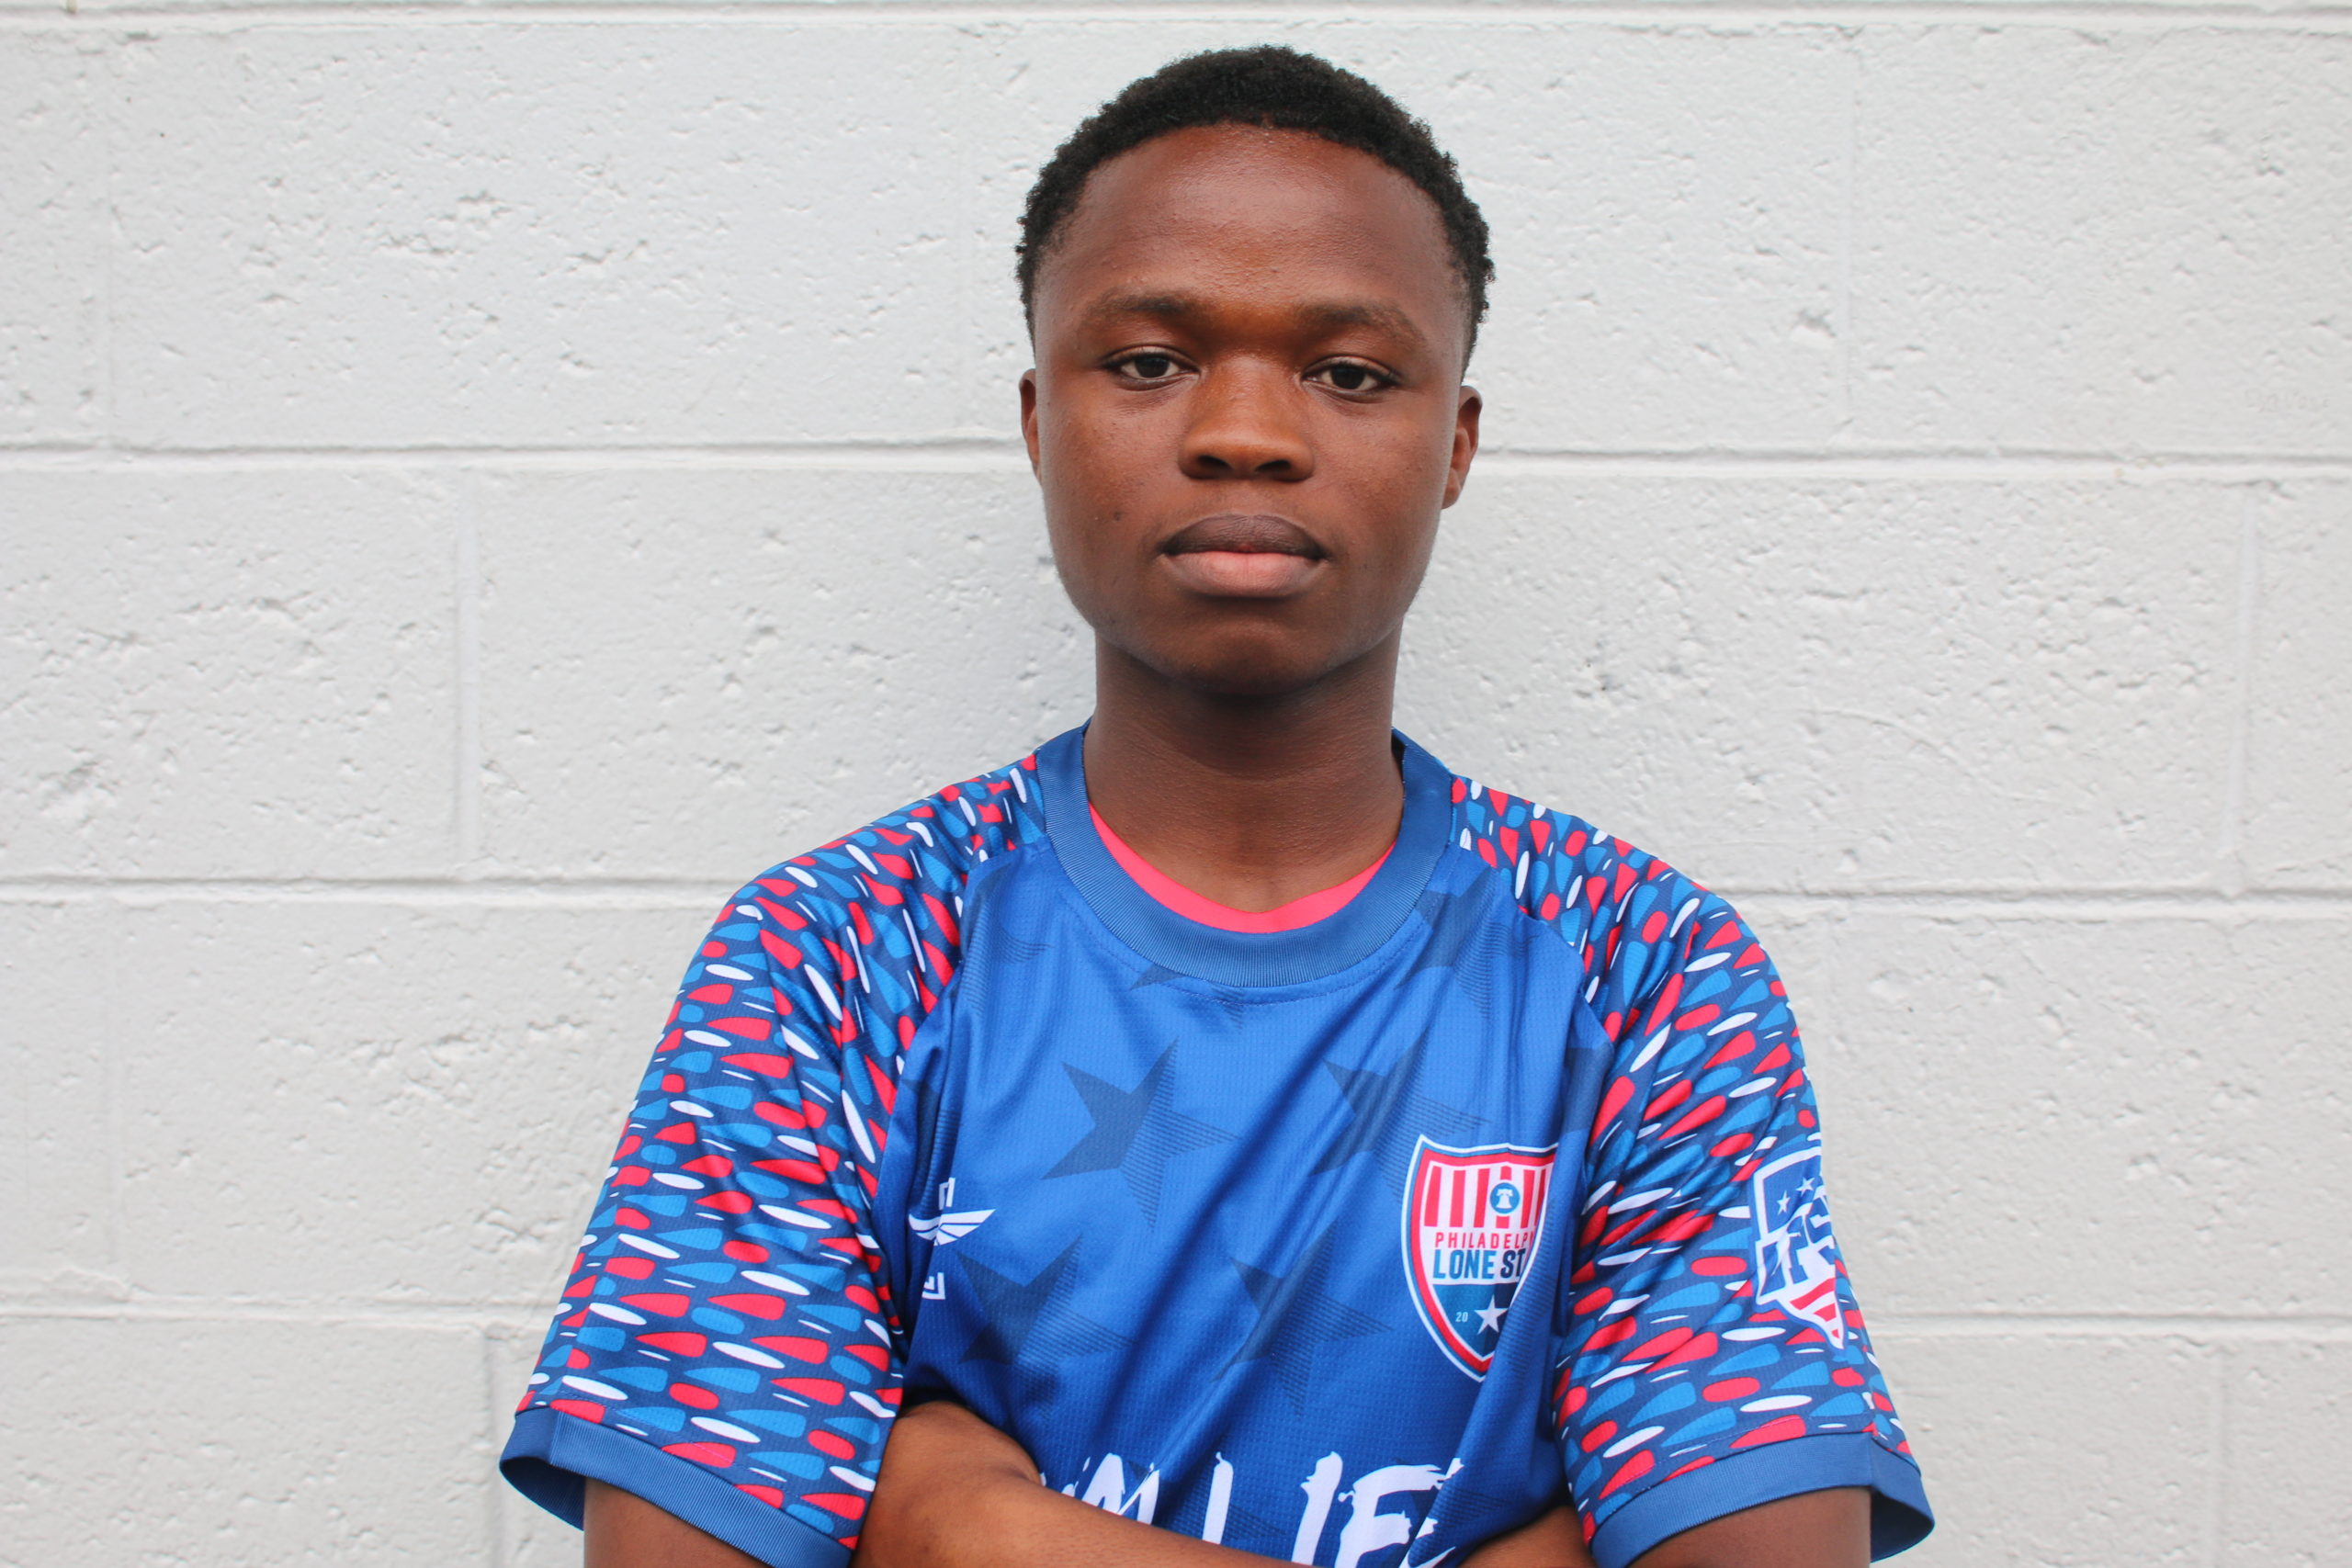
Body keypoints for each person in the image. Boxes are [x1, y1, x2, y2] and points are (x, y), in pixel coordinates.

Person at [498, 46, 1935, 1568]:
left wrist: (975, 1534)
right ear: (1040, 421)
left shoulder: (1642, 968)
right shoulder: (835, 955)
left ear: (1454, 444)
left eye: (1350, 373)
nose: (1246, 430)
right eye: (1148, 361)